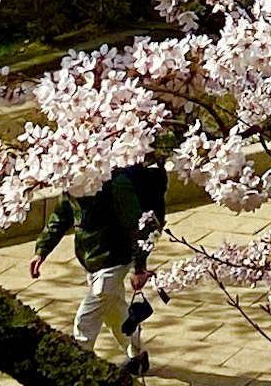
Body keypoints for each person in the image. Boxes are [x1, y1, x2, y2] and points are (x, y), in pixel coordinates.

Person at [32, 158, 169, 373]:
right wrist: (42, 250)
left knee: (86, 318)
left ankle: (77, 366)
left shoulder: (116, 184)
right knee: (115, 314)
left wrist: (140, 268)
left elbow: (138, 227)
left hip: (115, 259)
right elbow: (61, 216)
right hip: (92, 259)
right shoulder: (72, 183)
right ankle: (138, 357)